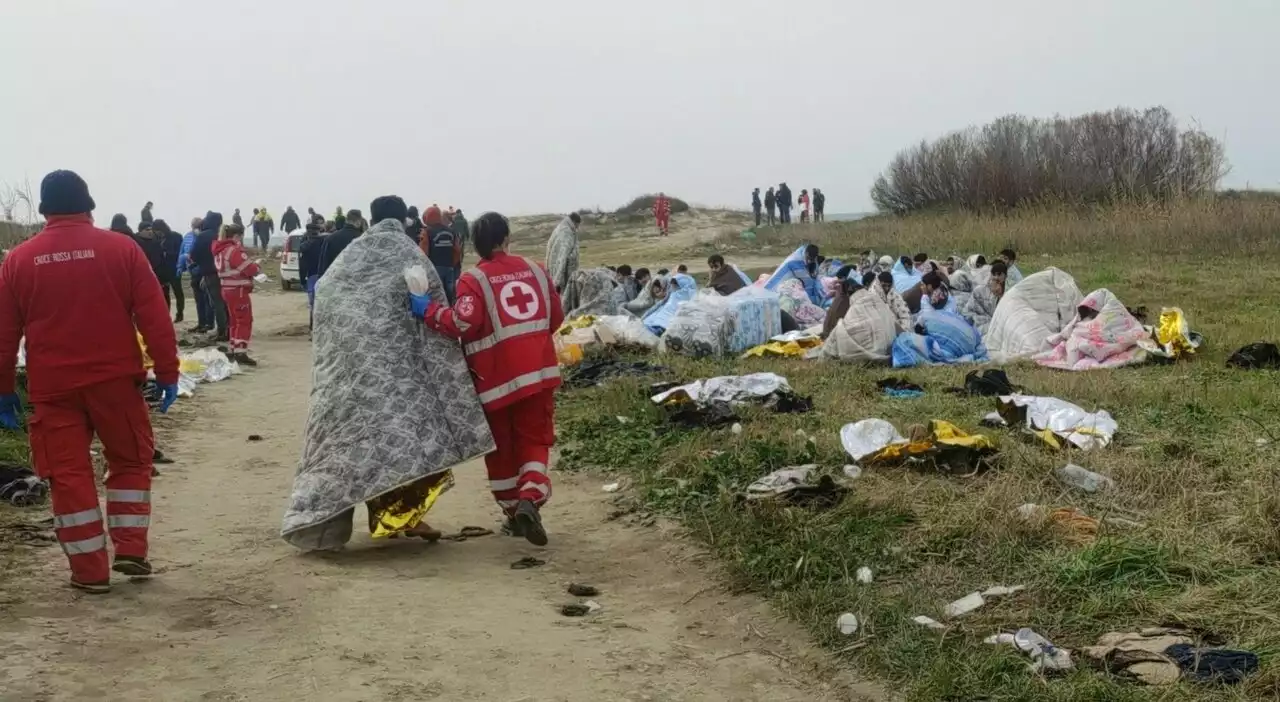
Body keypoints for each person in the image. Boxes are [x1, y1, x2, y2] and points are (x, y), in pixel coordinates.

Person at [0, 170, 179, 593]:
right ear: (89, 204)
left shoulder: (19, 260)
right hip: (116, 383)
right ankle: (131, 548)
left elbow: (5, 337)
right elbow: (154, 317)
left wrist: (5, 390)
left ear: (43, 209)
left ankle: (89, 573)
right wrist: (168, 373)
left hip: (53, 390)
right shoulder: (122, 249)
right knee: (131, 461)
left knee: (68, 475)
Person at [282, 195, 493, 551]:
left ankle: (340, 527)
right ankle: (399, 516)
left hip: (350, 371)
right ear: (405, 220)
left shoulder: (349, 258)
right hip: (398, 375)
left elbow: (327, 296)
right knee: (402, 440)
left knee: (350, 442)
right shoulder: (409, 254)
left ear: (370, 218)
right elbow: (435, 309)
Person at [413, 211, 562, 545]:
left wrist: (428, 311)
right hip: (538, 376)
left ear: (474, 246)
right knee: (535, 441)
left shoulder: (474, 280)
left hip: (494, 384)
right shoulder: (538, 271)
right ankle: (530, 498)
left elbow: (462, 323)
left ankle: (513, 512)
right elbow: (556, 318)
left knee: (502, 451)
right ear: (506, 238)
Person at [213, 224, 261, 366]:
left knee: (234, 320)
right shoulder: (234, 250)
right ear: (237, 236)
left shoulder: (219, 250)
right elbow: (249, 269)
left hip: (226, 288)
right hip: (238, 289)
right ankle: (240, 351)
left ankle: (234, 347)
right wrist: (257, 266)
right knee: (244, 320)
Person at [191, 211, 229, 340]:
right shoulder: (223, 235)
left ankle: (222, 331)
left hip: (210, 272)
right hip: (225, 272)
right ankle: (228, 329)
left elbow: (194, 255)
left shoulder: (203, 236)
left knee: (216, 302)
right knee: (225, 302)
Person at [419, 205, 459, 303]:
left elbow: (423, 252)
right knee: (450, 292)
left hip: (434, 268)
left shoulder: (427, 232)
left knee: (436, 294)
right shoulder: (451, 231)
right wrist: (451, 264)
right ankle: (453, 310)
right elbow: (457, 251)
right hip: (449, 267)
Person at [545, 212, 581, 312]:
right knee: (564, 298)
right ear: (574, 222)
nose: (578, 228)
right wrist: (559, 278)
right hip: (564, 273)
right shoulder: (566, 232)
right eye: (578, 225)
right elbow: (563, 255)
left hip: (557, 269)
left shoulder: (560, 229)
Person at [179, 216, 209, 331]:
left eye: (197, 226)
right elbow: (182, 252)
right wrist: (180, 266)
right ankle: (201, 323)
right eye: (194, 226)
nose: (195, 229)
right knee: (199, 299)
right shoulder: (187, 236)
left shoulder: (204, 237)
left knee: (207, 300)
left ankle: (208, 324)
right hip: (193, 271)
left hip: (203, 270)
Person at [962, 261, 1006, 334]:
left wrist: (999, 296)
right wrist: (985, 321)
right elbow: (967, 312)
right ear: (990, 275)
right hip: (980, 327)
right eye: (994, 274)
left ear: (1005, 277)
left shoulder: (1008, 293)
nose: (996, 277)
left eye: (999, 275)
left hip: (999, 330)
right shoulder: (980, 290)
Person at [154, 220, 185, 322]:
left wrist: (167, 253)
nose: (157, 233)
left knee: (178, 292)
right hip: (163, 270)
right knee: (164, 293)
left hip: (174, 268)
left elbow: (180, 252)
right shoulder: (157, 238)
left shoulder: (176, 236)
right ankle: (166, 314)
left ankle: (179, 313)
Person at [317, 209, 362, 278]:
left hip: (333, 280)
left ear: (346, 220)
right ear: (359, 221)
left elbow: (323, 265)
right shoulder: (362, 239)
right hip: (355, 282)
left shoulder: (330, 238)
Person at [298, 222, 325, 328]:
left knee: (313, 304)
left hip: (311, 276)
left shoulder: (305, 246)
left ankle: (313, 327)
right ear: (318, 231)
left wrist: (302, 280)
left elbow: (302, 265)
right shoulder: (325, 242)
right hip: (325, 275)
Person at [451, 208, 470, 273]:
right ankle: (460, 260)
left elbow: (451, 228)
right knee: (461, 249)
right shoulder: (464, 220)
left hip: (455, 236)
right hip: (462, 236)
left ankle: (456, 261)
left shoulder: (454, 220)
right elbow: (466, 229)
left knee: (455, 248)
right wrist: (467, 236)